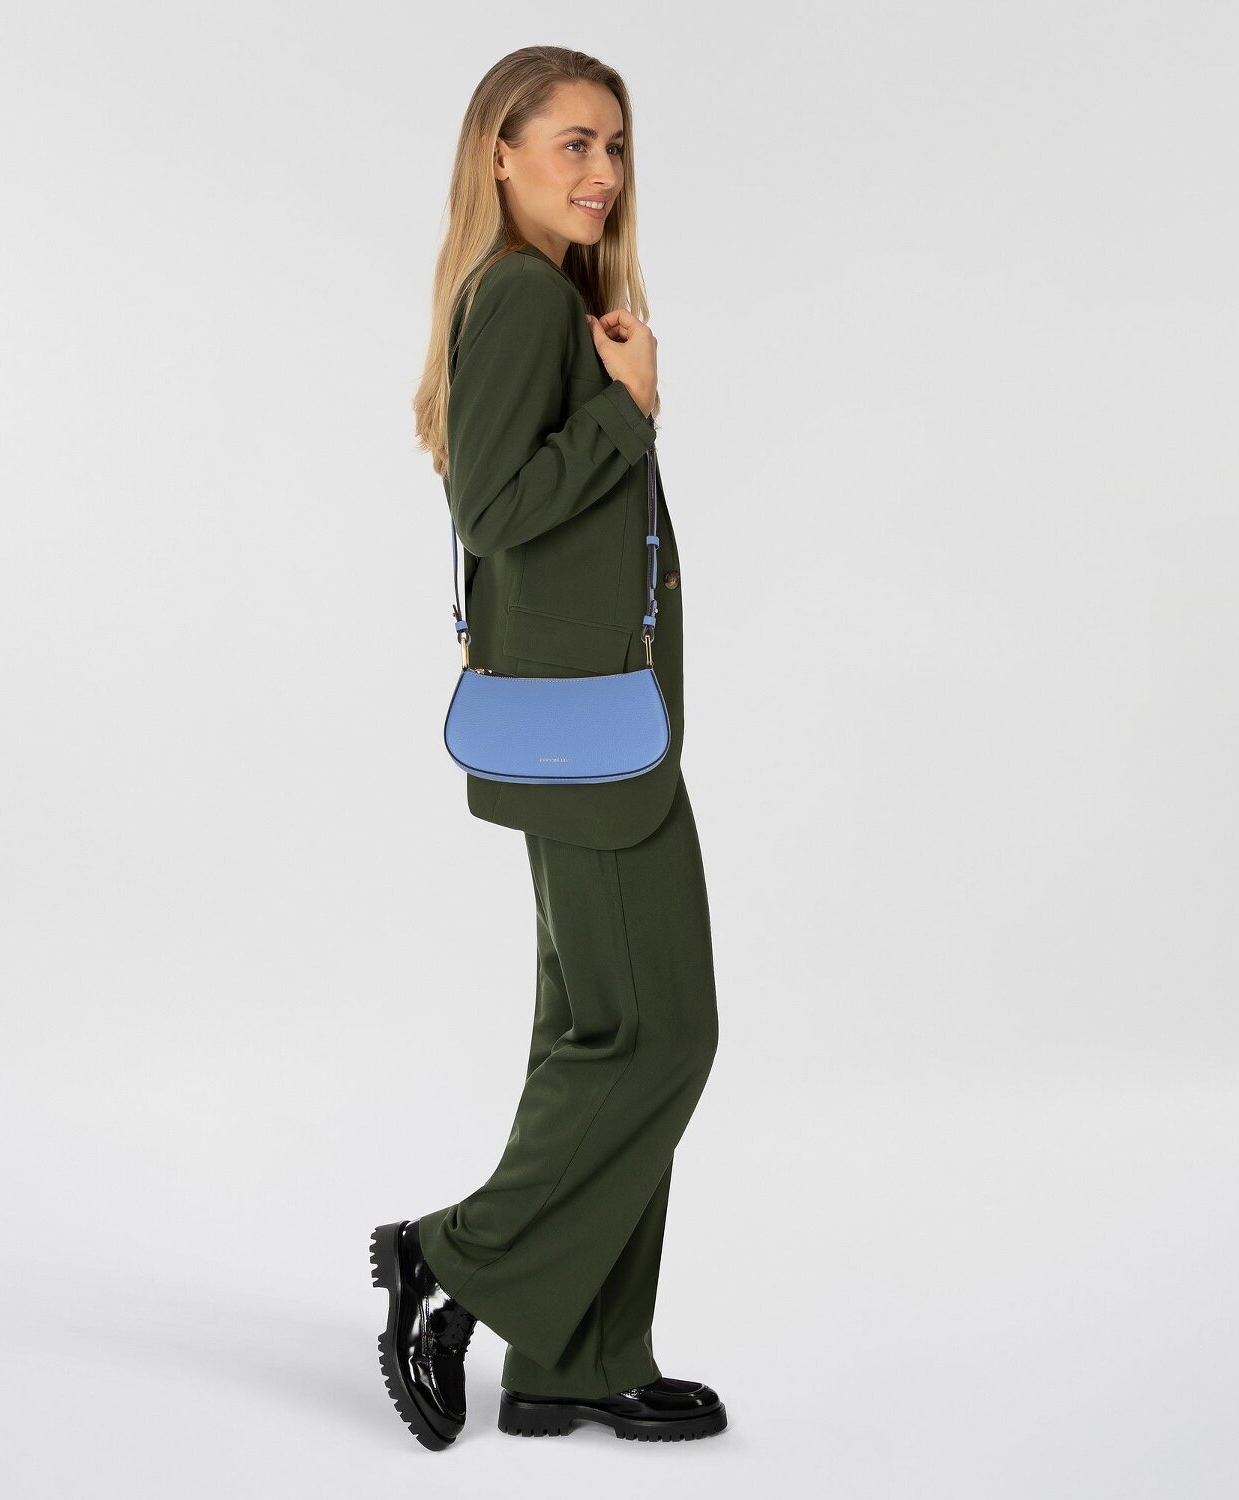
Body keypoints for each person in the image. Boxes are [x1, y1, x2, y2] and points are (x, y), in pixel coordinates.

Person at [372, 44, 724, 1449]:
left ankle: (578, 1358)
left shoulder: (548, 296)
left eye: (616, 147)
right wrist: (628, 416)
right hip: (595, 735)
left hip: (590, 723)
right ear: (500, 153)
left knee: (594, 1036)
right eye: (574, 143)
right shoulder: (522, 295)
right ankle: (452, 1257)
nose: (602, 173)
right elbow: (496, 508)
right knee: (660, 1036)